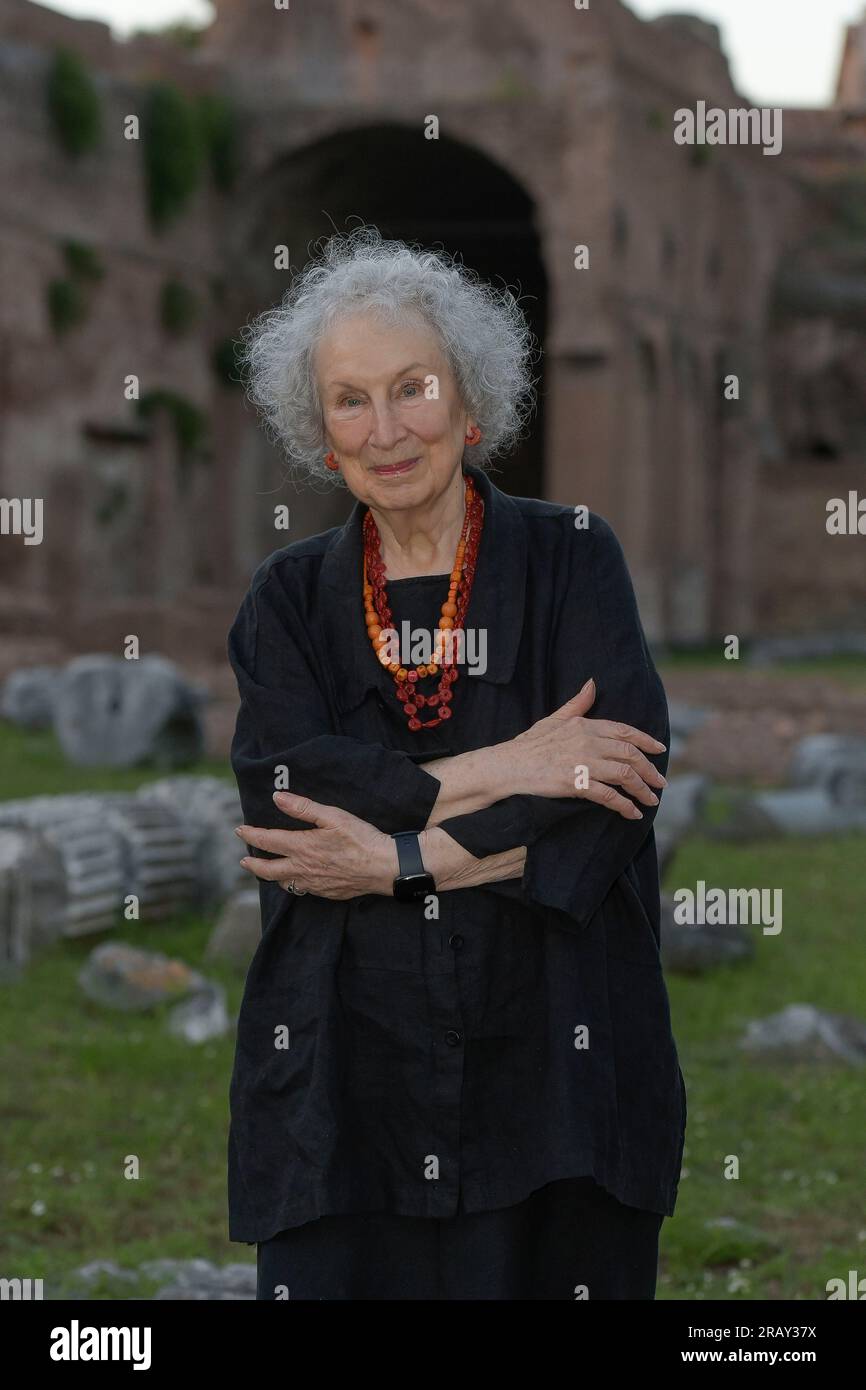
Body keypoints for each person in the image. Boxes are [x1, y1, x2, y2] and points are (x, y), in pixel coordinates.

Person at [226, 225, 686, 1300]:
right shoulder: (286, 599)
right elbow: (288, 793)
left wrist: (401, 862)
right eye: (349, 400)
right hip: (345, 1070)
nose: (385, 430)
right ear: (319, 432)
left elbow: (609, 800)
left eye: (411, 388)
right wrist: (513, 762)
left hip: (555, 1056)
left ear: (468, 399)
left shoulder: (574, 555)